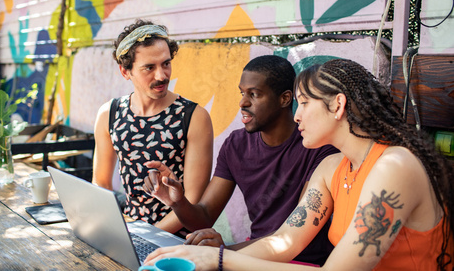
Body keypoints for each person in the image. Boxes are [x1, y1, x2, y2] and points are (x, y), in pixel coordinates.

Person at [143, 58, 454, 270]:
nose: (296, 115)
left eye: (304, 103)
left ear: (338, 105)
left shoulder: (394, 166)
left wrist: (219, 260)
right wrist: (212, 256)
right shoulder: (331, 168)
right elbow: (283, 243)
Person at [143, 55, 339, 266]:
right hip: (249, 253)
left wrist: (222, 254)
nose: (242, 103)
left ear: (284, 99)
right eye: (242, 93)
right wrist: (177, 201)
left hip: (301, 261)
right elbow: (205, 216)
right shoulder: (236, 145)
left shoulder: (317, 147)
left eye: (254, 95)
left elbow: (293, 236)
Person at [92, 19, 214, 235]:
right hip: (128, 229)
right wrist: (115, 231)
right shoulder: (109, 114)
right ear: (125, 71)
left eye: (166, 63)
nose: (162, 75)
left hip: (178, 238)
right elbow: (100, 184)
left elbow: (194, 199)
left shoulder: (194, 117)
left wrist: (148, 236)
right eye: (149, 67)